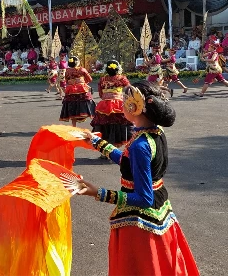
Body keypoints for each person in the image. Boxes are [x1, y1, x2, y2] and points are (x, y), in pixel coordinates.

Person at [77, 81, 199, 276]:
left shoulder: (140, 145)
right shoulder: (154, 133)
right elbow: (129, 163)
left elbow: (144, 199)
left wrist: (98, 192)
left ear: (134, 108)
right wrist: (97, 142)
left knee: (140, 267)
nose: (121, 105)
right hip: (160, 210)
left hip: (140, 223)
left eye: (125, 102)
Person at [90, 61, 132, 148]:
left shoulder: (102, 79)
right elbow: (129, 89)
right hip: (119, 105)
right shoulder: (122, 78)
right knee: (119, 125)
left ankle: (104, 148)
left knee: (104, 127)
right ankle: (115, 149)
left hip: (104, 106)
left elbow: (101, 95)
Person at [59, 56, 96, 127]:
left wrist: (73, 82)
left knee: (72, 105)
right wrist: (82, 82)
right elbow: (89, 79)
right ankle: (94, 122)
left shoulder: (67, 70)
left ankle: (74, 126)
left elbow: (66, 80)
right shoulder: (82, 69)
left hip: (70, 90)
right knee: (88, 103)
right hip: (81, 88)